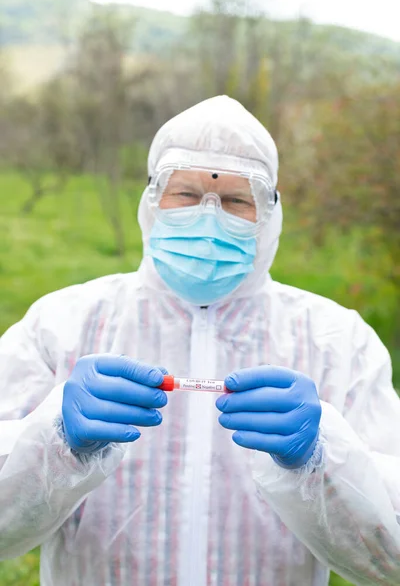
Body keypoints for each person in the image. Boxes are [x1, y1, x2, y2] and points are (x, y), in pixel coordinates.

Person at [0, 96, 399, 586]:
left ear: (269, 214)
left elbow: (390, 560)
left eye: (236, 201)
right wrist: (53, 439)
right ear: (152, 200)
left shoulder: (337, 342)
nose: (209, 218)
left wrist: (323, 459)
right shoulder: (62, 325)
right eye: (185, 195)